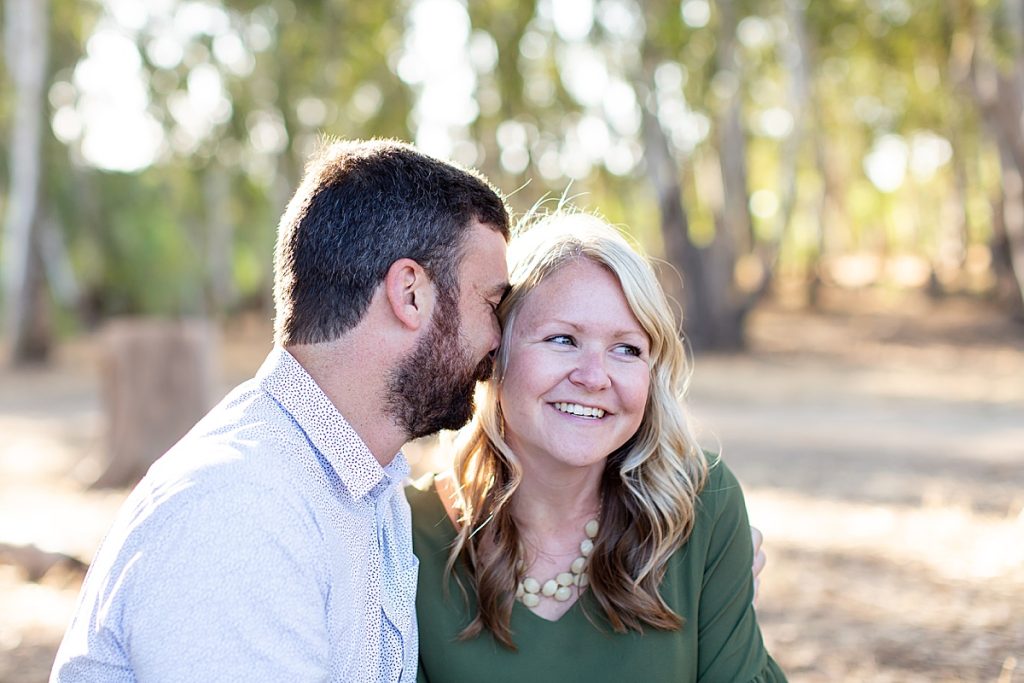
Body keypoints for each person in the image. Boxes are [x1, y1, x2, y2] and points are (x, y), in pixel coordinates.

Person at [51, 139, 511, 682]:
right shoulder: (238, 507)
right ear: (410, 293)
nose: (499, 339)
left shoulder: (361, 484)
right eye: (492, 303)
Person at [408, 211, 786, 681]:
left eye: (627, 349)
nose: (593, 377)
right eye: (563, 339)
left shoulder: (701, 507)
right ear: (495, 352)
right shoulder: (408, 530)